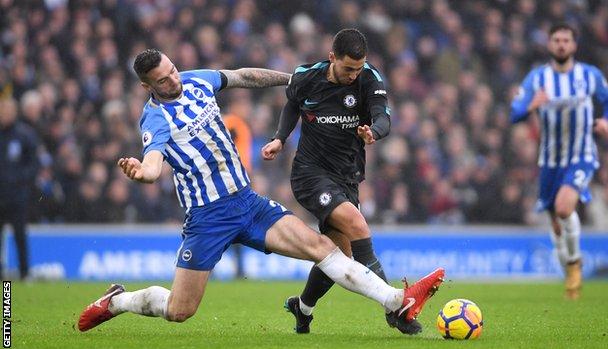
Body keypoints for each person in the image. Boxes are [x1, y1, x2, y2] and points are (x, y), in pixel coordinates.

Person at [77, 49, 445, 332]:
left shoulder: (195, 80)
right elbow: (154, 162)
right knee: (179, 311)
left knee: (323, 247)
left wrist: (296, 80)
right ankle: (118, 301)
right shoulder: (155, 118)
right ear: (147, 86)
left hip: (246, 202)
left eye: (172, 69)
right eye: (163, 79)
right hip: (207, 218)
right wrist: (142, 172)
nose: (173, 79)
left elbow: (243, 76)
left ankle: (396, 299)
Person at [261, 28, 421, 335]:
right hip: (310, 174)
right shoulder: (307, 76)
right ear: (332, 57)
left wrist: (374, 131)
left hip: (347, 177)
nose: (353, 75)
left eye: (358, 68)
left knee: (337, 254)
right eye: (348, 68)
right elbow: (292, 104)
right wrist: (280, 138)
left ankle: (302, 307)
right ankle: (394, 308)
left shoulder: (369, 78)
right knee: (358, 224)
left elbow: (383, 116)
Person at [510, 23, 608, 299]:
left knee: (563, 207)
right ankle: (569, 265)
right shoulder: (538, 78)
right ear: (550, 44)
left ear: (574, 45)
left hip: (581, 156)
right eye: (556, 40)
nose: (561, 44)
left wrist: (605, 120)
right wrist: (533, 104)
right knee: (556, 224)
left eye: (565, 40)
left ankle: (574, 262)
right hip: (549, 161)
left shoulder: (589, 75)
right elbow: (515, 112)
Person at [0, 97, 40, 281]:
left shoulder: (24, 135)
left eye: (8, 111)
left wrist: (19, 180)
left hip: (17, 196)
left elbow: (34, 164)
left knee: (20, 236)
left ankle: (24, 273)